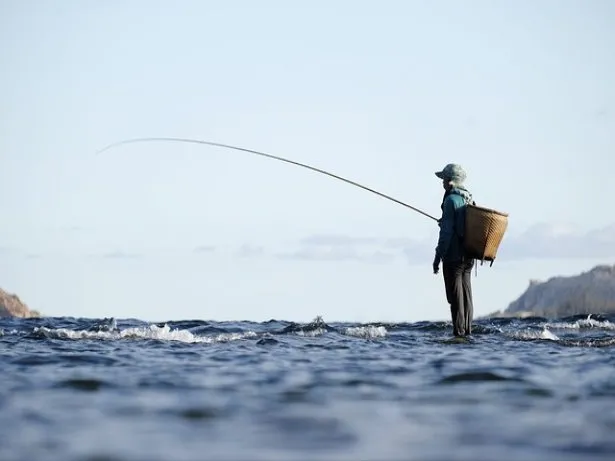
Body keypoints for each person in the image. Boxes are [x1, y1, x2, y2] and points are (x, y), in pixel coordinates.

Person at [432, 163, 475, 337]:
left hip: (454, 257)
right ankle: (468, 333)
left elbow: (447, 234)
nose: (441, 183)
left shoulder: (450, 200)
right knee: (466, 296)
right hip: (469, 256)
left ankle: (459, 334)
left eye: (443, 179)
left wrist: (437, 257)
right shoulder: (468, 198)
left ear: (450, 182)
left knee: (455, 299)